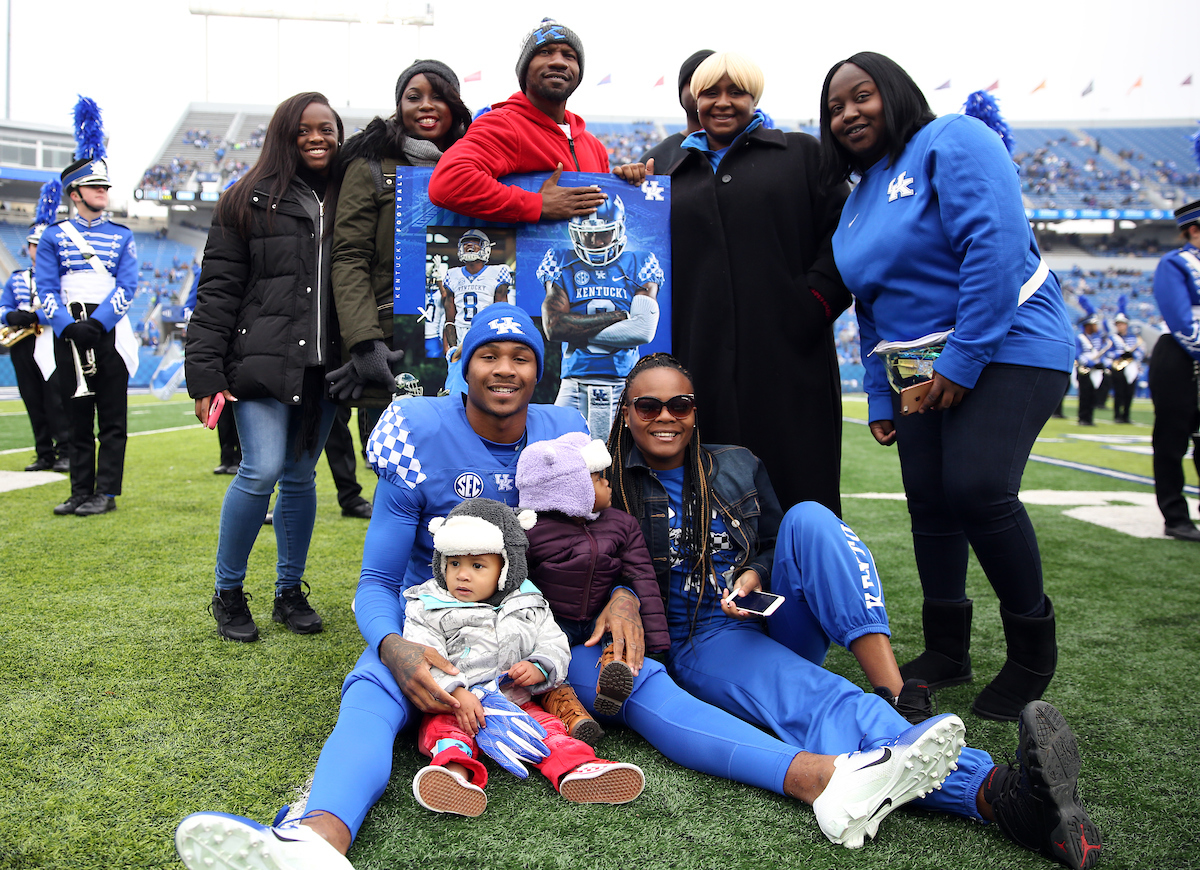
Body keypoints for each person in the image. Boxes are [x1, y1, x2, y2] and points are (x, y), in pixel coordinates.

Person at [177, 305, 1006, 868]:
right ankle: (317, 842)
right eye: (489, 356)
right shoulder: (418, 433)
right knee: (371, 691)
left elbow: (608, 535)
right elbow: (374, 578)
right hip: (434, 621)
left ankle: (825, 783)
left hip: (548, 622)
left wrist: (616, 594)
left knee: (646, 689)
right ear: (464, 369)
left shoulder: (565, 430)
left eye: (520, 358)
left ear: (539, 374)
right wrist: (393, 644)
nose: (504, 370)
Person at [603, 352, 1100, 870]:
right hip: (702, 636)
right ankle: (998, 793)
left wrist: (758, 574)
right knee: (824, 700)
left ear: (695, 410)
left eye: (679, 404)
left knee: (813, 518)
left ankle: (896, 694)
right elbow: (593, 562)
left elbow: (775, 541)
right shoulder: (611, 482)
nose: (666, 417)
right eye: (649, 406)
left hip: (764, 613)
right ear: (626, 413)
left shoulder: (734, 463)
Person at [820, 52, 1076, 722]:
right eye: (834, 107)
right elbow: (870, 303)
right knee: (929, 503)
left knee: (977, 488)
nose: (848, 113)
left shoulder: (953, 138)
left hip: (1011, 344)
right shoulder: (857, 198)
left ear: (895, 93)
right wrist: (879, 393)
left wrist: (961, 362)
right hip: (918, 369)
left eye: (861, 96)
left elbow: (992, 247)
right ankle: (947, 650)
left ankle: (1030, 653)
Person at [618, 52, 851, 515]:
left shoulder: (803, 154)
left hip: (789, 356)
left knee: (798, 486)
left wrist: (812, 305)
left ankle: (802, 583)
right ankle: (704, 585)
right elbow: (636, 241)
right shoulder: (661, 163)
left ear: (754, 97)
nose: (723, 103)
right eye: (710, 93)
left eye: (736, 92)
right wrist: (627, 184)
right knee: (707, 487)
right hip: (697, 355)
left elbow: (847, 236)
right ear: (693, 98)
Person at [185, 92, 345, 642]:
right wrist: (204, 374)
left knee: (301, 476)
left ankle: (288, 591)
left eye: (328, 128)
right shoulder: (242, 200)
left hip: (326, 368)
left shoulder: (352, 193)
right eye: (304, 130)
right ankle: (228, 591)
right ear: (283, 135)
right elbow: (217, 293)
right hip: (260, 361)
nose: (318, 137)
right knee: (262, 468)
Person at [404, 497, 645, 816]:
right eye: (454, 563)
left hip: (516, 701)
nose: (463, 575)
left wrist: (539, 666)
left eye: (477, 566)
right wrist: (455, 691)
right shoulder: (428, 606)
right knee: (443, 730)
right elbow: (425, 656)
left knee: (549, 730)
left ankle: (579, 768)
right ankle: (453, 776)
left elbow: (554, 643)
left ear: (506, 568)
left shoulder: (529, 603)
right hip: (457, 705)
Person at [328, 59, 472, 406]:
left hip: (467, 338)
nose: (426, 104)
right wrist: (365, 342)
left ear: (454, 106)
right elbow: (349, 257)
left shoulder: (478, 165)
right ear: (399, 107)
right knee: (399, 457)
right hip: (393, 337)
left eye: (438, 96)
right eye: (413, 96)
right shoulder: (371, 165)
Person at [517, 431, 667, 725]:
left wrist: (659, 649)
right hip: (553, 621)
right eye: (598, 478)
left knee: (617, 626)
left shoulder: (622, 524)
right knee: (547, 654)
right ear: (573, 489)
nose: (607, 482)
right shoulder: (533, 530)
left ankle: (615, 668)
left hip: (599, 618)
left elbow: (643, 582)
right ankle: (565, 706)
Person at [428, 19, 609, 225]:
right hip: (523, 255)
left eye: (570, 56)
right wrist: (537, 205)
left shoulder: (595, 146)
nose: (559, 62)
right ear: (524, 71)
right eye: (545, 52)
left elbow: (605, 209)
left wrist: (634, 185)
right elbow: (448, 183)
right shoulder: (503, 125)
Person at [37, 155, 138, 517]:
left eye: (106, 186)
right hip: (68, 334)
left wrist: (98, 323)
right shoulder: (53, 236)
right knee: (76, 418)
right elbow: (46, 289)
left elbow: (128, 286)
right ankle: (80, 490)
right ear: (75, 193)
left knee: (112, 419)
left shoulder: (122, 237)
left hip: (108, 333)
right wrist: (68, 326)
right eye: (96, 187)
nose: (103, 192)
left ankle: (106, 492)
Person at [536, 196, 665, 436]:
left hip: (624, 384)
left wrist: (576, 330)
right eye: (586, 235)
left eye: (604, 233)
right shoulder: (561, 260)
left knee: (624, 460)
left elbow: (642, 330)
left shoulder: (640, 262)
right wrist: (619, 317)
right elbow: (554, 327)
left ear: (618, 229)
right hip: (574, 382)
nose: (595, 241)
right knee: (557, 452)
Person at [1149, 198, 1200, 542]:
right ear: (1193, 229)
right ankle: (1175, 515)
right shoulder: (1176, 263)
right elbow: (1180, 319)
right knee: (1172, 438)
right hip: (1180, 358)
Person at [1, 216, 69, 474]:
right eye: (33, 245)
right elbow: (4, 306)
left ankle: (65, 450)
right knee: (31, 398)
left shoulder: (61, 279)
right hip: (22, 344)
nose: (37, 250)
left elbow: (64, 307)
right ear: (28, 248)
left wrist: (36, 316)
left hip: (50, 342)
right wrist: (10, 316)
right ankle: (44, 453)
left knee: (56, 399)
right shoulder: (17, 278)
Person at [637, 50, 715, 170]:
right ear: (681, 92)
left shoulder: (749, 150)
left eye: (711, 82)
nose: (701, 89)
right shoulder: (655, 160)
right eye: (693, 82)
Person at [442, 229, 511, 352]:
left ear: (486, 248)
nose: (469, 245)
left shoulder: (497, 273)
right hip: (460, 333)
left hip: (486, 331)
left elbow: (501, 313)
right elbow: (449, 319)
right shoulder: (452, 274)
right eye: (466, 242)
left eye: (475, 242)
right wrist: (452, 347)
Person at [1105, 311, 1143, 424]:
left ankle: (1126, 415)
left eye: (1122, 324)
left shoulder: (1134, 338)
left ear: (1126, 324)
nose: (1120, 326)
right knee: (1119, 392)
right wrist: (1119, 354)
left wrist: (1134, 355)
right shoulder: (1113, 338)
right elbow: (1108, 353)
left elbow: (1140, 352)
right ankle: (1117, 415)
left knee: (1129, 393)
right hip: (1118, 367)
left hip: (1131, 367)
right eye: (1118, 324)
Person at [1075, 316, 1108, 426]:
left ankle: (1089, 418)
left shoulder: (1096, 339)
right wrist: (1092, 363)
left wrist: (1100, 362)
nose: (1096, 327)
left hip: (1095, 371)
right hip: (1085, 370)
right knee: (1084, 395)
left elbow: (1100, 352)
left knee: (1093, 395)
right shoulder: (1079, 338)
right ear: (1087, 326)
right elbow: (1078, 355)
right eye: (1094, 325)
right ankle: (1083, 418)